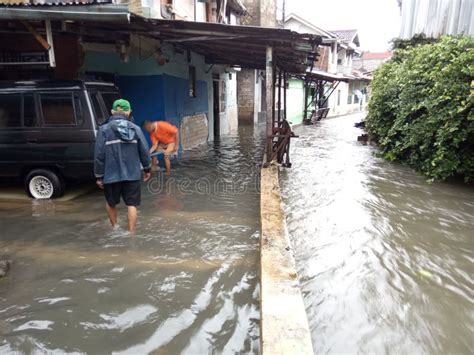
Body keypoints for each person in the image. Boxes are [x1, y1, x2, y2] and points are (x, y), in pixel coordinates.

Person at [94, 99, 151, 233]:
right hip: (132, 174)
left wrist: (99, 176)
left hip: (110, 174)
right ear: (129, 112)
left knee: (111, 203)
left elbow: (99, 155)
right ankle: (131, 233)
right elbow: (144, 150)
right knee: (132, 205)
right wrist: (147, 169)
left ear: (113, 112)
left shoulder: (104, 130)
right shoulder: (135, 129)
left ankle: (115, 229)